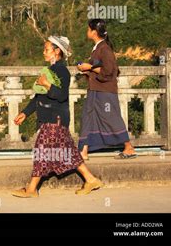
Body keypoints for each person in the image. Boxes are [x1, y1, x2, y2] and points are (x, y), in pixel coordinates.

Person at [12, 36, 103, 198]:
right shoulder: (50, 70)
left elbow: (61, 95)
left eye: (47, 49)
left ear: (57, 51)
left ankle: (31, 189)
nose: (44, 52)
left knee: (42, 151)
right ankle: (91, 179)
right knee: (68, 151)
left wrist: (47, 84)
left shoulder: (62, 71)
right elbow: (38, 97)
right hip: (52, 119)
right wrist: (25, 113)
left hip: (55, 119)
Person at [77, 19, 137, 160]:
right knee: (88, 117)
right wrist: (87, 71)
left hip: (105, 92)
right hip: (95, 90)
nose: (87, 32)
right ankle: (83, 151)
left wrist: (89, 67)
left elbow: (109, 71)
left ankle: (128, 147)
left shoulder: (104, 49)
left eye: (88, 29)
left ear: (94, 32)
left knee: (110, 117)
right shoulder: (98, 48)